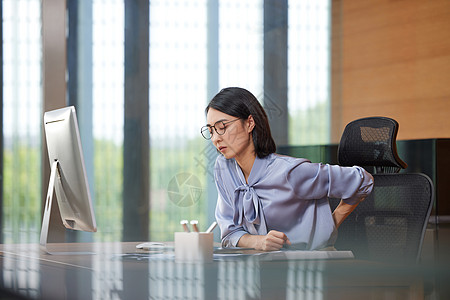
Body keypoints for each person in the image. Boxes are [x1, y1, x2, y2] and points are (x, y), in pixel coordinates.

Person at [201, 87, 374, 251]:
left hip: (310, 264)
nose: (216, 138)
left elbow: (362, 180)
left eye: (222, 127)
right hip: (263, 265)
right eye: (211, 131)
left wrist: (329, 226)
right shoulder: (224, 169)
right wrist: (259, 241)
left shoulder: (290, 172)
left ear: (250, 123)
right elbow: (230, 233)